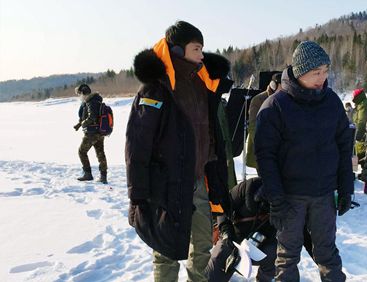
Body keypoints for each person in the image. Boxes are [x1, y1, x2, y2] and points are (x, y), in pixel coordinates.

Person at [126, 20, 233, 282]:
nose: (202, 55)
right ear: (176, 50)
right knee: (165, 252)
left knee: (203, 248)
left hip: (198, 183)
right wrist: (138, 195)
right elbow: (137, 146)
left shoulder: (202, 85)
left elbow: (211, 137)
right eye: (196, 49)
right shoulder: (155, 89)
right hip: (165, 187)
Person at [255, 41, 353, 281]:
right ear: (299, 73)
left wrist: (346, 188)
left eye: (326, 71)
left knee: (327, 252)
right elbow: (265, 157)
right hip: (290, 196)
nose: (322, 78)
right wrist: (276, 199)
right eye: (315, 73)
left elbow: (343, 147)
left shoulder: (331, 102)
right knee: (287, 255)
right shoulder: (276, 105)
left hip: (323, 195)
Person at [73, 84, 108, 184]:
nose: (79, 96)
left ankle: (88, 174)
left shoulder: (91, 102)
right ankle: (103, 176)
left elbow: (92, 117)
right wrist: (79, 125)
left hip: (92, 133)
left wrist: (84, 123)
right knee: (100, 153)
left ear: (84, 93)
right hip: (99, 132)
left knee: (81, 151)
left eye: (79, 93)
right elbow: (90, 116)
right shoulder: (95, 101)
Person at [246, 73, 282, 169]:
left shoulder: (286, 99)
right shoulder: (258, 100)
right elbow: (253, 127)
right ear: (273, 85)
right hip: (263, 153)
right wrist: (265, 147)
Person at [352, 88, 367, 194]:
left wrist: (357, 135)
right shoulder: (361, 104)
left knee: (359, 156)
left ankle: (356, 173)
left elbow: (361, 121)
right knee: (357, 155)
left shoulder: (364, 105)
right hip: (361, 134)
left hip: (363, 136)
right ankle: (356, 173)